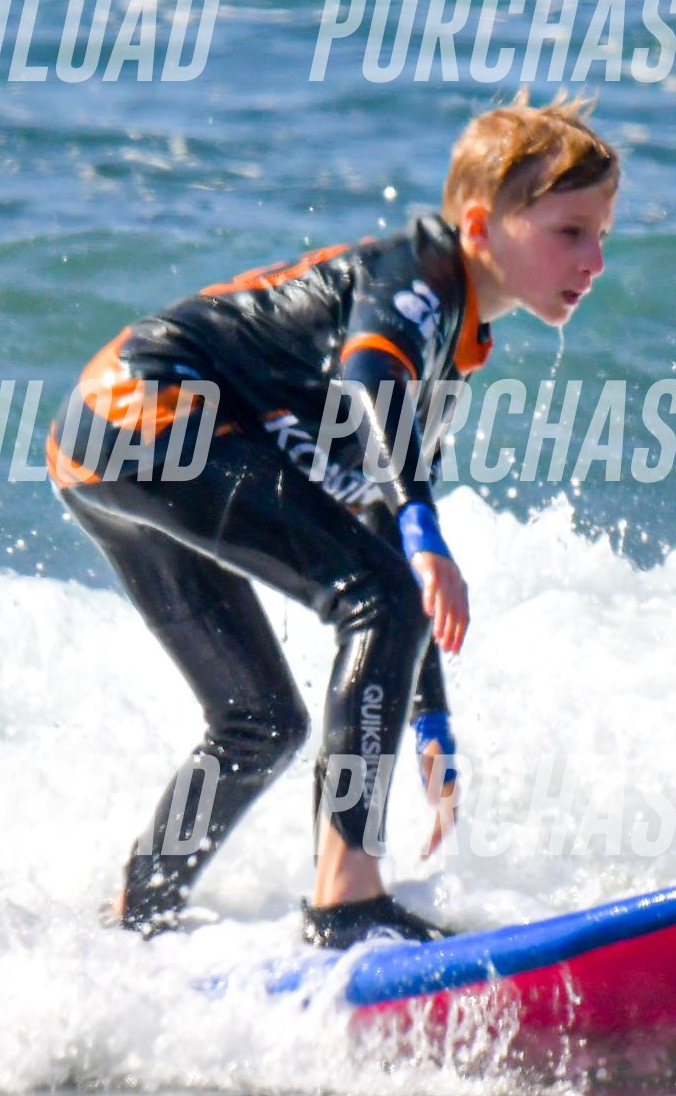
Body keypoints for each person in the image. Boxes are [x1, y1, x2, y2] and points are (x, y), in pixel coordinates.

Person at [50, 96, 617, 947]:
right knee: (377, 599)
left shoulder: (452, 344)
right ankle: (346, 902)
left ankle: (140, 906)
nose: (594, 260)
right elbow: (368, 380)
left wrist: (428, 718)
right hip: (153, 411)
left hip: (96, 438)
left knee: (260, 721)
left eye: (602, 235)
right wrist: (425, 527)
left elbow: (379, 518)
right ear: (479, 227)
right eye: (570, 233)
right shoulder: (415, 281)